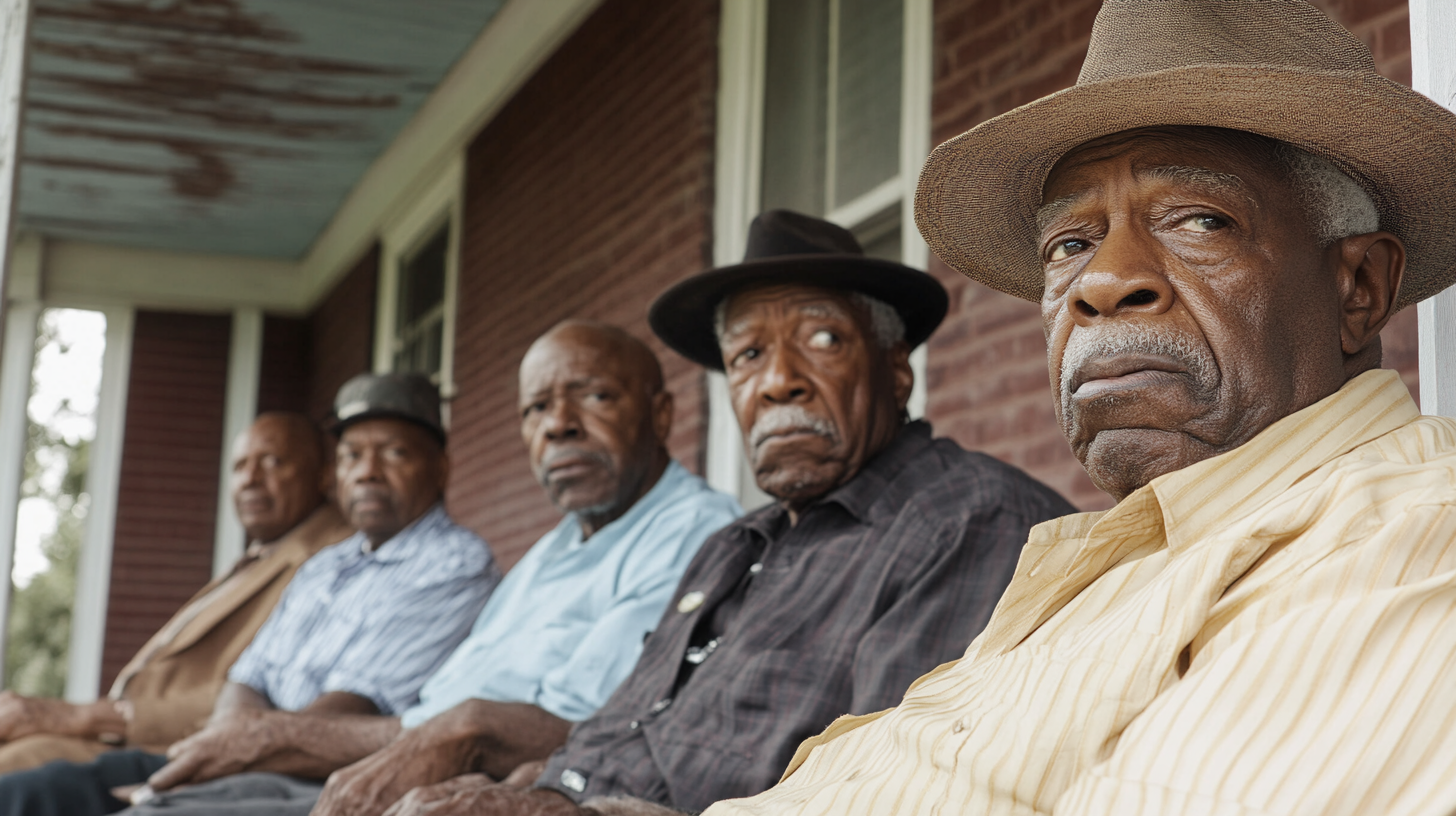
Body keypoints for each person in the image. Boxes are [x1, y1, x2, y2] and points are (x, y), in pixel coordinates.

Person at [691, 2, 1456, 814]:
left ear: (1358, 287)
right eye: (1070, 245)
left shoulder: (1407, 538)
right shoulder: (1103, 565)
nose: (1101, 281)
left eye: (1200, 219)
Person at [379, 210, 1076, 816]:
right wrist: (534, 794)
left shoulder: (968, 521)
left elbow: (881, 793)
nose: (777, 381)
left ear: (896, 369)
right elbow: (611, 734)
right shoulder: (733, 545)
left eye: (823, 339)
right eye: (747, 354)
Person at [98, 323, 742, 816]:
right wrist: (257, 738)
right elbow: (435, 710)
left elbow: (581, 727)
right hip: (395, 766)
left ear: (662, 415)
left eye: (595, 396)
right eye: (536, 409)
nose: (559, 427)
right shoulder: (556, 546)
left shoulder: (697, 535)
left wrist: (272, 737)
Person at [0, 374, 499, 815]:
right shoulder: (328, 563)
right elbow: (251, 674)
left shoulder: (453, 563)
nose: (367, 471)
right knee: (31, 793)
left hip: (315, 773)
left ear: (441, 469)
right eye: (351, 454)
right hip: (232, 755)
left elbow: (355, 705)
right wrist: (224, 746)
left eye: (393, 452)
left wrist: (238, 753)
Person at [0, 413, 352, 774]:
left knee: (16, 768)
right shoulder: (262, 556)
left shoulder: (335, 559)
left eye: (273, 462)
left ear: (325, 475)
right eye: (239, 466)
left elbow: (284, 689)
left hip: (184, 751)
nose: (249, 479)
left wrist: (88, 717)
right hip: (125, 737)